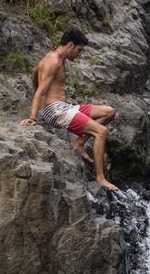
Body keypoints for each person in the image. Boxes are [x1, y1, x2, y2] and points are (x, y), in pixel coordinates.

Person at [19, 28, 119, 191]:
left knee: (109, 112)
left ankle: (79, 143)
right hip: (56, 111)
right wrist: (33, 118)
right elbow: (40, 91)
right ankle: (100, 178)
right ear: (70, 45)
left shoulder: (53, 57)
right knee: (101, 132)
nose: (79, 54)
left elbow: (35, 72)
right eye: (79, 50)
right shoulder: (54, 61)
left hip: (65, 107)